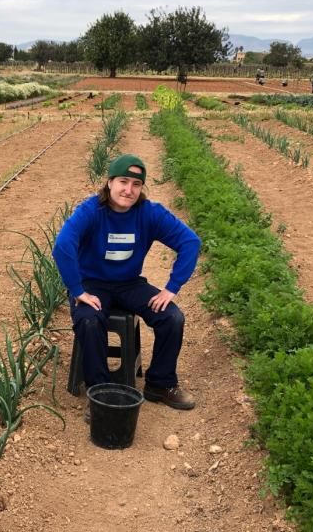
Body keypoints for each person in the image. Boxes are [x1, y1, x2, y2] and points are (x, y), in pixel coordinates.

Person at [52, 154, 201, 413]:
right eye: (123, 181)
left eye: (136, 184)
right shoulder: (91, 211)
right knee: (89, 320)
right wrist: (77, 290)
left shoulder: (149, 214)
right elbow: (63, 245)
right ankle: (100, 391)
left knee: (171, 317)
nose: (128, 190)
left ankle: (160, 383)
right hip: (92, 285)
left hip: (129, 284)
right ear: (109, 182)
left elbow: (190, 242)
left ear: (141, 188)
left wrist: (171, 288)